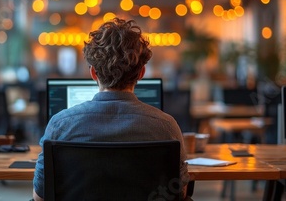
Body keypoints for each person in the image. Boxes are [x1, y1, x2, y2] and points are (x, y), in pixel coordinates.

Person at [32, 18, 190, 200]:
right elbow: (180, 192)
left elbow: (39, 197)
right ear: (141, 73)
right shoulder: (166, 126)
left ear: (93, 73)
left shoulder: (60, 125)